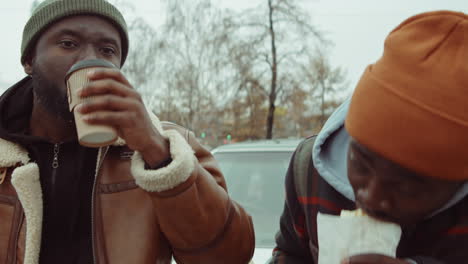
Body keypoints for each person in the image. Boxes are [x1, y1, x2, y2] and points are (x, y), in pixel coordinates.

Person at [0, 0, 255, 263]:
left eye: (107, 50)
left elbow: (229, 256)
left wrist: (158, 154)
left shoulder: (170, 146)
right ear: (29, 60)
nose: (91, 60)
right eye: (68, 44)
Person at [269, 10, 468, 264]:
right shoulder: (308, 172)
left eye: (405, 185)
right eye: (361, 163)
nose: (371, 197)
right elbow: (290, 253)